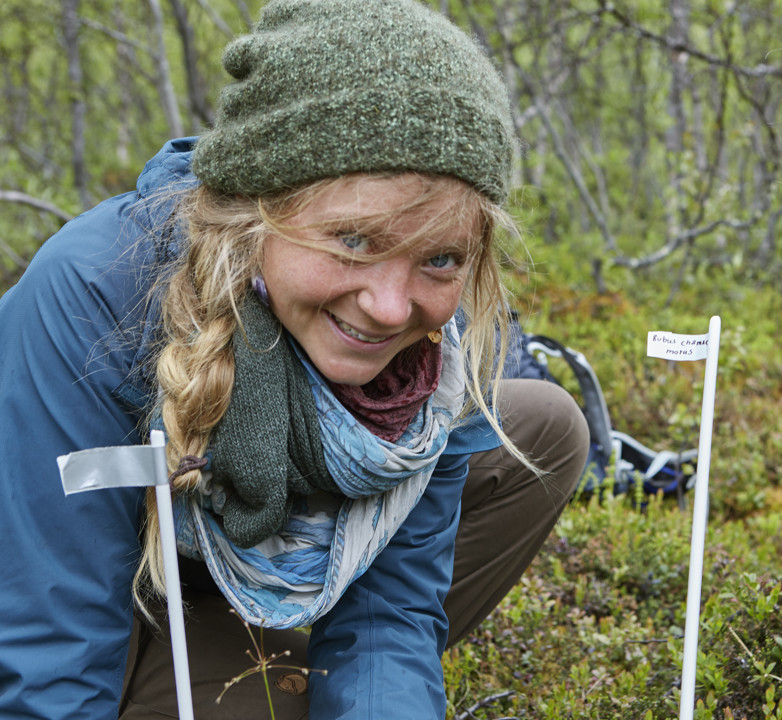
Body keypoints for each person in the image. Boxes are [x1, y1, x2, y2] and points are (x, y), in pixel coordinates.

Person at [0, 0, 589, 717]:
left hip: (213, 598)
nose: (392, 307)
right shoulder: (95, 292)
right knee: (252, 702)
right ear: (258, 210)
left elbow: (389, 613)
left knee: (542, 425)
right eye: (354, 241)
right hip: (75, 586)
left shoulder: (433, 351)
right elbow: (51, 634)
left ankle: (270, 664)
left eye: (439, 258)